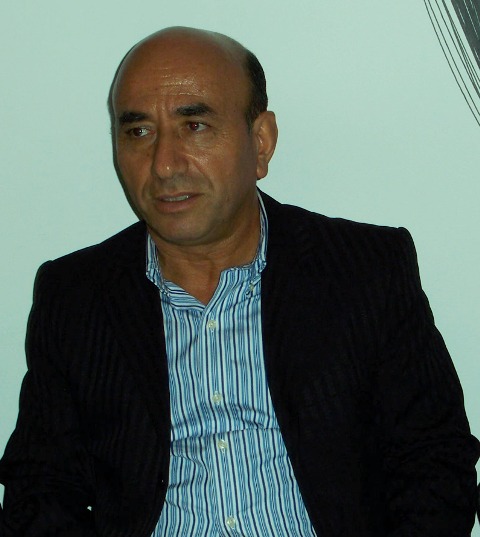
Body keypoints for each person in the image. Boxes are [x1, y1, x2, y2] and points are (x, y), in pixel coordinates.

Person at [0, 26, 478, 537]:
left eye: (195, 126)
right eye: (138, 132)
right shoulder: (75, 297)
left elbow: (434, 460)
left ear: (261, 142)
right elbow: (40, 490)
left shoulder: (364, 270)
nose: (164, 164)